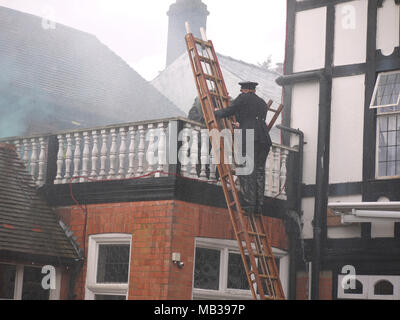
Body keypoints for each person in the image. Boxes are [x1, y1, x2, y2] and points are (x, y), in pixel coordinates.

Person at [214, 81, 272, 215]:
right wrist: (242, 125)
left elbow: (229, 111)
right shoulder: (262, 103)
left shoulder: (243, 98)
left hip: (250, 137)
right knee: (259, 172)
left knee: (247, 170)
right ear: (254, 90)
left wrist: (217, 112)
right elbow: (254, 119)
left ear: (244, 90)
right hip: (264, 138)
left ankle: (249, 205)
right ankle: (259, 206)